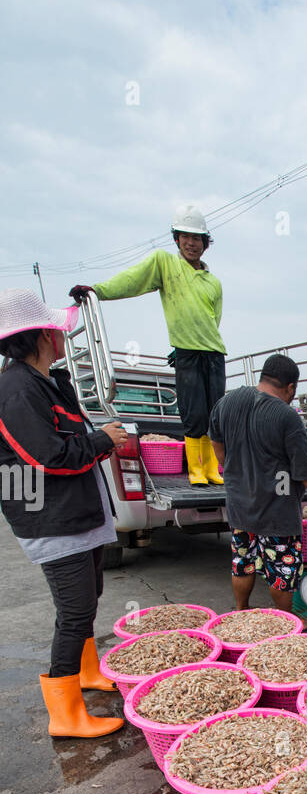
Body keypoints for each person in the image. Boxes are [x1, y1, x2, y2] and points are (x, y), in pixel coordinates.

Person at [0, 289, 129, 738]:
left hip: (76, 514)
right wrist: (104, 440)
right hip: (49, 518)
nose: (63, 334)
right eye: (56, 329)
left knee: (88, 596)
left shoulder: (47, 381)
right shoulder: (14, 389)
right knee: (73, 611)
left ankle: (87, 673)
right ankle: (65, 713)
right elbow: (50, 457)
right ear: (38, 335)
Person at [69, 204, 225, 488]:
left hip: (214, 353)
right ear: (176, 239)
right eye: (185, 237)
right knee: (194, 413)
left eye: (197, 238)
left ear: (206, 243)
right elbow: (132, 280)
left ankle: (214, 468)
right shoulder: (164, 263)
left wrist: (203, 340)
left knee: (215, 413)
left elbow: (214, 320)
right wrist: (98, 291)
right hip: (187, 352)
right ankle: (197, 469)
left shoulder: (213, 281)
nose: (191, 243)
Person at [209, 353, 307, 630]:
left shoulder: (226, 402)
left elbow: (216, 440)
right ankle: (287, 620)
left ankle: (241, 610)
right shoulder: (286, 416)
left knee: (242, 561)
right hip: (277, 511)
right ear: (291, 388)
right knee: (282, 567)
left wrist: (229, 466)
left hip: (240, 506)